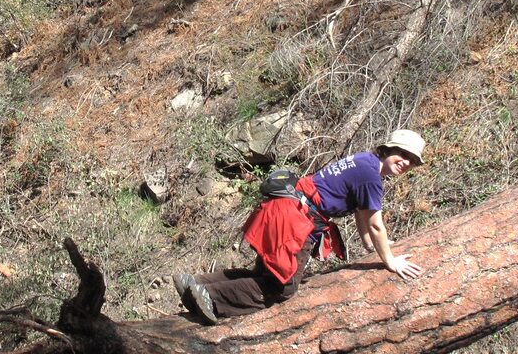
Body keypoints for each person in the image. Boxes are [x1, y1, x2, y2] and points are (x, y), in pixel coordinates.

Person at [174, 129, 429, 323]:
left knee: (268, 275)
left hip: (286, 207)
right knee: (281, 287)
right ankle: (211, 298)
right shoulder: (371, 176)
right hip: (295, 218)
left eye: (412, 160)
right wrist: (391, 262)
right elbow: (376, 225)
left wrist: (367, 244)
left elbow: (364, 214)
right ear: (388, 149)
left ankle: (196, 284)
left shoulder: (365, 162)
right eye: (402, 154)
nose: (406, 162)